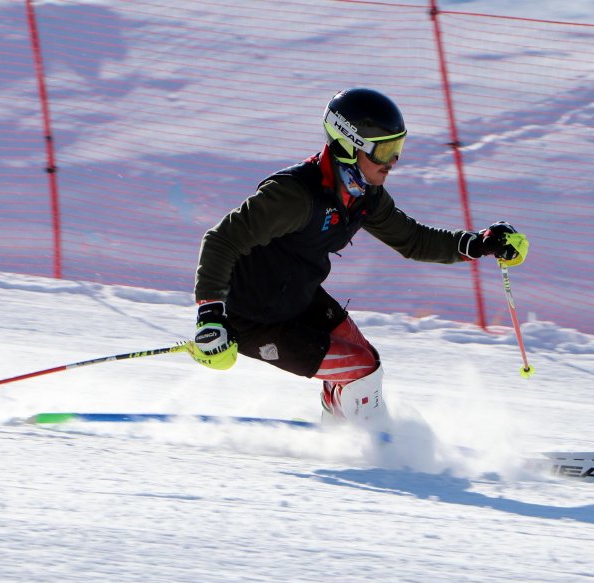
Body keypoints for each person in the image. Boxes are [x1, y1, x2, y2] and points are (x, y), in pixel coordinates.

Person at [190, 88, 528, 425]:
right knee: (361, 370)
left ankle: (343, 432)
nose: (392, 162)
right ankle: (372, 441)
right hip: (250, 317)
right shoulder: (295, 195)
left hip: (296, 299)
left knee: (365, 357)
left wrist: (479, 243)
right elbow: (222, 240)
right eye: (383, 151)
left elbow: (412, 239)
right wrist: (210, 317)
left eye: (397, 149)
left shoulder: (364, 195)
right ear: (347, 147)